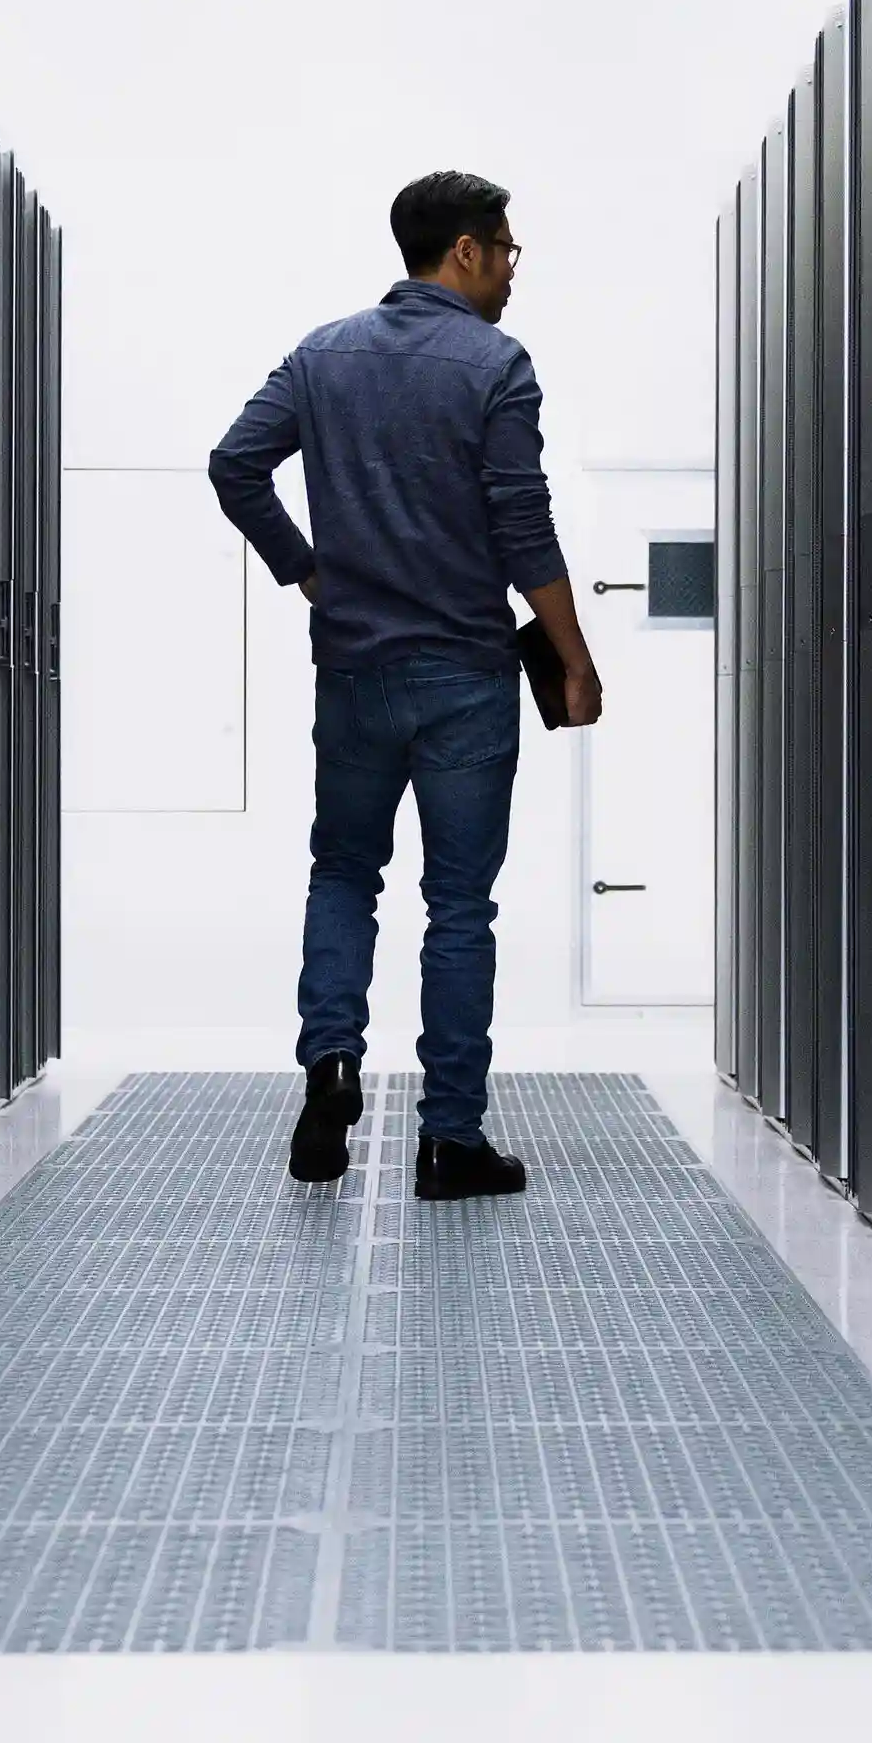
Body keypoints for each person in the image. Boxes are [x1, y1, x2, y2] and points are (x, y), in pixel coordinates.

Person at [207, 170, 604, 1198]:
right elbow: (523, 529)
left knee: (343, 874)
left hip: (351, 671)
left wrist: (305, 569)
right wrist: (571, 656)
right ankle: (448, 1140)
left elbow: (234, 465)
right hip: (466, 675)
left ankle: (331, 1064)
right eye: (506, 248)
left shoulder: (321, 355)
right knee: (459, 905)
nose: (514, 268)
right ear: (464, 252)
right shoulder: (495, 365)